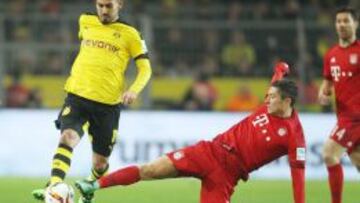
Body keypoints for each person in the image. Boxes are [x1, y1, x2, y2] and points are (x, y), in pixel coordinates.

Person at [75, 62, 306, 203]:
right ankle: (93, 187)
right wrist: (281, 68)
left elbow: (298, 179)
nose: (266, 99)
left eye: (273, 97)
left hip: (226, 176)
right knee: (151, 169)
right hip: (209, 151)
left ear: (287, 102)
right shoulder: (274, 98)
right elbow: (278, 74)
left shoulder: (295, 137)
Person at [32, 0, 152, 202]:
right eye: (100, 5)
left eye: (109, 6)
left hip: (107, 106)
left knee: (100, 164)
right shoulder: (85, 21)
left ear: (120, 5)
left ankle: (88, 187)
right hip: (77, 96)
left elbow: (146, 69)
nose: (103, 10)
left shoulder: (131, 34)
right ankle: (54, 186)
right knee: (67, 137)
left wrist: (134, 90)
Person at [318, 7, 360, 203]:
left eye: (346, 21)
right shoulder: (331, 54)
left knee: (328, 153)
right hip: (343, 116)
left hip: (355, 118)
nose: (342, 24)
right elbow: (328, 82)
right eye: (338, 21)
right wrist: (323, 92)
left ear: (356, 24)